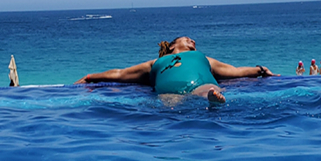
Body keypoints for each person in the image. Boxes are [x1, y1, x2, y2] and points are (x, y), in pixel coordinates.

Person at [74, 36, 275, 103]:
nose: (193, 41)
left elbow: (235, 70)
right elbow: (120, 74)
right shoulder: (154, 63)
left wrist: (259, 70)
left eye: (193, 41)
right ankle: (208, 101)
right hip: (169, 93)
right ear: (172, 46)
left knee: (207, 92)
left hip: (201, 86)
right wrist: (91, 77)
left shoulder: (202, 58)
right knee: (171, 104)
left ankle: (212, 101)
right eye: (187, 38)